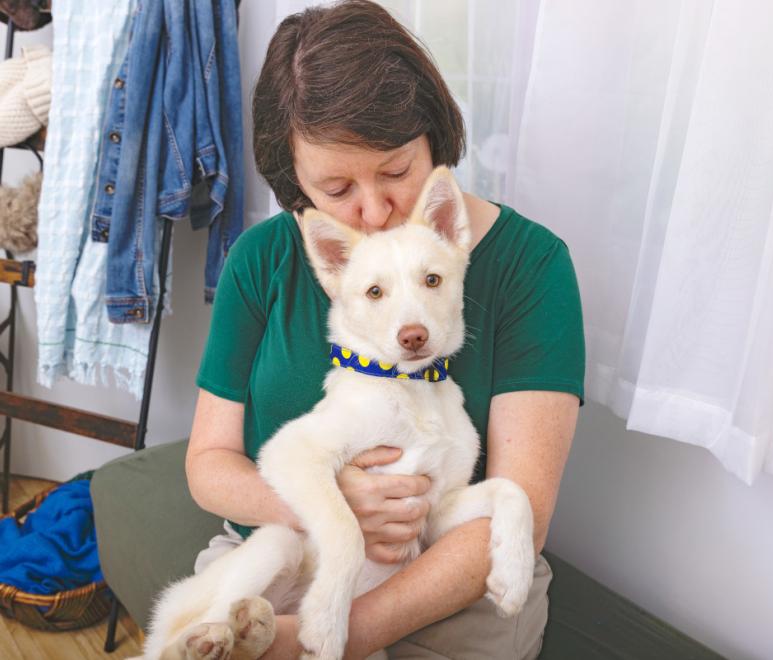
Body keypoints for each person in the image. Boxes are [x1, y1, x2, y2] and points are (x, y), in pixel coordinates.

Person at [187, 1, 584, 658]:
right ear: (295, 186)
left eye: (397, 171)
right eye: (336, 188)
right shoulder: (264, 258)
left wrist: (321, 639)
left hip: (450, 582)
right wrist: (328, 508)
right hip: (284, 553)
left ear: (434, 135)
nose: (372, 211)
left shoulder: (530, 266)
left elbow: (522, 514)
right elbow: (208, 464)